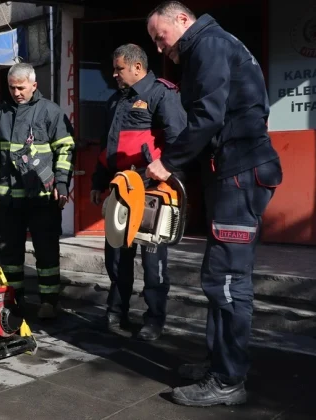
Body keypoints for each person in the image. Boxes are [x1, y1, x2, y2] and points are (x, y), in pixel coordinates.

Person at [146, 1, 283, 407]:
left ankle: (227, 379)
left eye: (160, 36)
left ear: (182, 20)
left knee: (226, 279)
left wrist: (167, 163)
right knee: (219, 275)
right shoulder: (218, 45)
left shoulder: (208, 47)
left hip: (238, 174)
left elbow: (206, 117)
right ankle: (219, 362)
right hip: (238, 171)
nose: (158, 48)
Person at [90, 44, 186, 340]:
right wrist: (98, 181)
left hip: (152, 192)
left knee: (153, 262)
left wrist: (171, 181)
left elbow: (180, 141)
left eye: (118, 69)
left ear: (137, 67)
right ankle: (116, 313)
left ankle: (154, 319)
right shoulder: (115, 102)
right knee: (117, 258)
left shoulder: (162, 94)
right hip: (121, 190)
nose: (114, 74)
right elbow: (109, 149)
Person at [0, 62, 75, 319]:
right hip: (9, 198)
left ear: (34, 85)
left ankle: (48, 302)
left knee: (46, 251)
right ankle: (13, 300)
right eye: (12, 88)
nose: (16, 93)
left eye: (21, 87)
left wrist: (63, 184)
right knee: (9, 254)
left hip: (42, 199)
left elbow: (65, 150)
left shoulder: (51, 112)